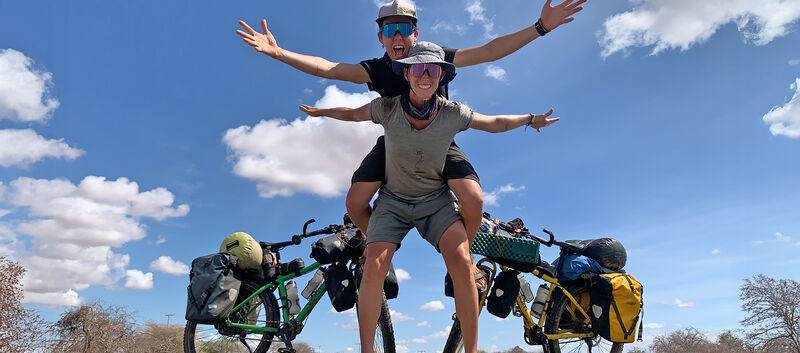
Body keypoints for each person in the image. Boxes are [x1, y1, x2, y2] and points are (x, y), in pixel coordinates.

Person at [236, 1, 585, 265]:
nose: (398, 36)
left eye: (405, 28)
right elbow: (330, 68)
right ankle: (373, 248)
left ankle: (463, 259)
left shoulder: (435, 57)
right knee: (355, 202)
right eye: (390, 30)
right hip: (395, 144)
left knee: (473, 198)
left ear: (416, 34)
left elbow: (489, 51)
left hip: (439, 140)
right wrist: (278, 52)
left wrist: (540, 27)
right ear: (381, 38)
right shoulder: (375, 69)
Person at [298, 41, 559, 353]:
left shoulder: (452, 113)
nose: (425, 75)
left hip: (436, 203)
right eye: (418, 68)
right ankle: (368, 350)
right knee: (373, 267)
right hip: (392, 203)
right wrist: (323, 112)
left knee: (462, 262)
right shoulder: (388, 108)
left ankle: (471, 350)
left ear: (442, 76)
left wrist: (531, 118)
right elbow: (354, 115)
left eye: (433, 69)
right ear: (407, 74)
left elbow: (495, 123)